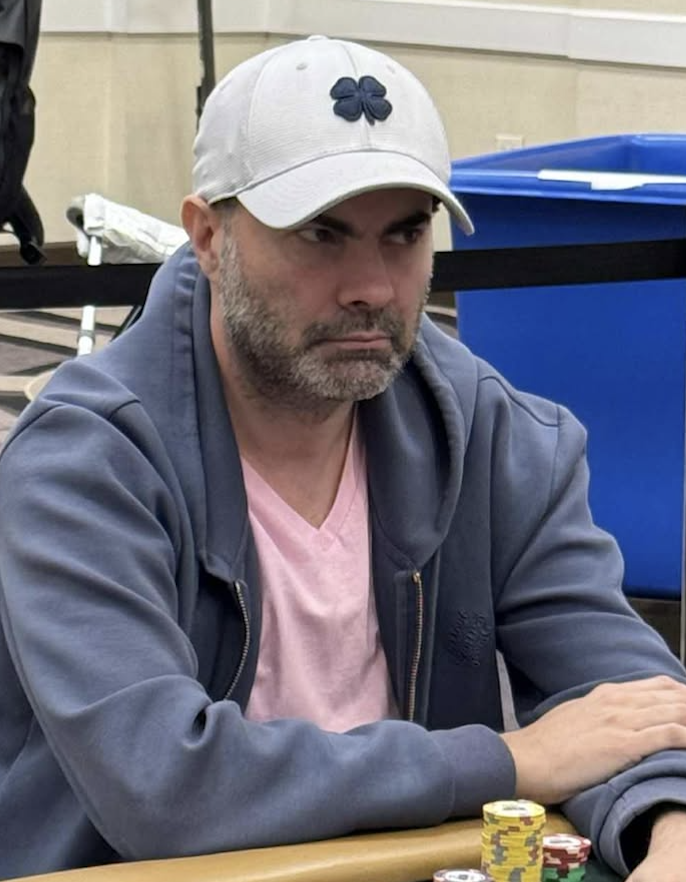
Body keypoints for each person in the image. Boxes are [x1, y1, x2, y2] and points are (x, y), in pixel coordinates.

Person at [1, 34, 686, 882]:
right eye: (321, 234)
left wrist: (669, 828)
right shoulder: (84, 465)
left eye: (404, 234)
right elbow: (163, 786)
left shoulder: (492, 434)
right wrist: (507, 761)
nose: (372, 286)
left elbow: (631, 701)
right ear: (208, 236)